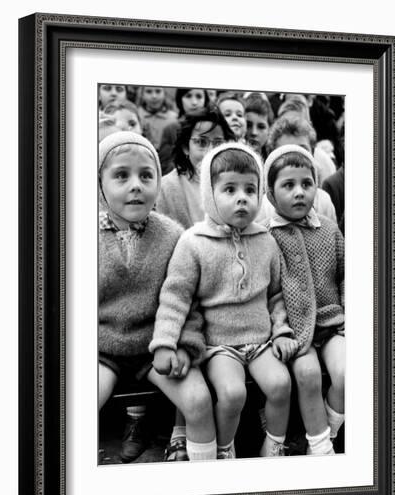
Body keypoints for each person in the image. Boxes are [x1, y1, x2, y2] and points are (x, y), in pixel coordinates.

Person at [150, 142, 298, 459]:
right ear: (209, 193)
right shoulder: (194, 242)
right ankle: (223, 449)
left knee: (280, 384)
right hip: (219, 345)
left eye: (249, 189)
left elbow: (276, 294)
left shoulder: (266, 240)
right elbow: (176, 297)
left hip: (260, 341)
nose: (241, 197)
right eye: (229, 189)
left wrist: (282, 330)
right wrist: (165, 342)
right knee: (232, 393)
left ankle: (274, 446)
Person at [98, 131, 217, 462]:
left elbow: (187, 301)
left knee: (197, 400)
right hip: (102, 347)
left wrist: (183, 345)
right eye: (121, 175)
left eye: (146, 175)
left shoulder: (173, 235)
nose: (136, 185)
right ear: (99, 184)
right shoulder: (82, 235)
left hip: (155, 344)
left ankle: (206, 480)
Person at [263, 144, 345, 455]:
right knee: (308, 375)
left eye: (306, 184)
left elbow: (346, 274)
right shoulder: (267, 237)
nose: (299, 192)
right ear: (270, 194)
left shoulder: (329, 230)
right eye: (288, 185)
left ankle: (332, 430)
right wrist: (280, 331)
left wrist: (351, 315)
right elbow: (269, 294)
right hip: (296, 333)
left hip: (332, 320)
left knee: (348, 373)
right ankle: (320, 447)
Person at [157, 107, 235, 230]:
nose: (210, 151)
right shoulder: (166, 187)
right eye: (201, 142)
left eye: (218, 143)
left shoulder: (236, 182)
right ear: (186, 147)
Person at [258, 114, 337, 222]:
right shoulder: (264, 207)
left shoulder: (323, 201)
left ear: (313, 153)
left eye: (302, 150)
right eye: (286, 153)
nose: (295, 158)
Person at [158, 88, 210, 175]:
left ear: (205, 100)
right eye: (188, 96)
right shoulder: (171, 129)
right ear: (180, 99)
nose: (194, 102)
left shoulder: (212, 128)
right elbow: (165, 165)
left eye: (199, 96)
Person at [244, 94, 274, 161]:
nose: (254, 132)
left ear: (269, 130)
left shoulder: (274, 163)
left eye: (261, 127)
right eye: (248, 125)